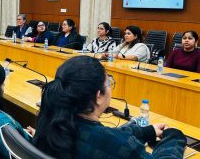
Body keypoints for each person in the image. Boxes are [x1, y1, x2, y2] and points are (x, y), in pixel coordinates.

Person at [33, 56, 187, 158]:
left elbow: (106, 137)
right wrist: (174, 137)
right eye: (108, 83)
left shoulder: (50, 120)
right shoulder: (121, 146)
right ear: (98, 96)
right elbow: (113, 141)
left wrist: (147, 132)